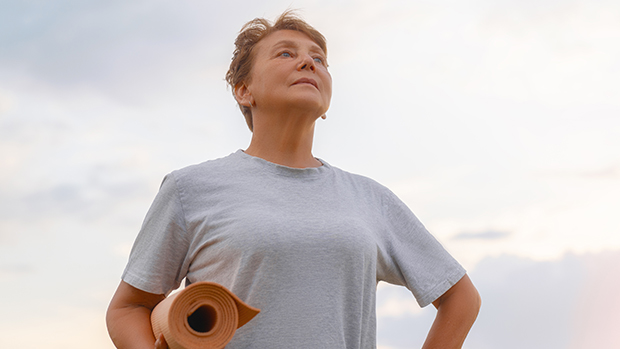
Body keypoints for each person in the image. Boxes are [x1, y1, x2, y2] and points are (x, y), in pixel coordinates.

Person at [105, 10, 480, 349]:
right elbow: (128, 308)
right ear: (244, 90)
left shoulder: (370, 198)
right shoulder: (191, 189)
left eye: (319, 59)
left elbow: (461, 298)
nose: (308, 62)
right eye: (286, 53)